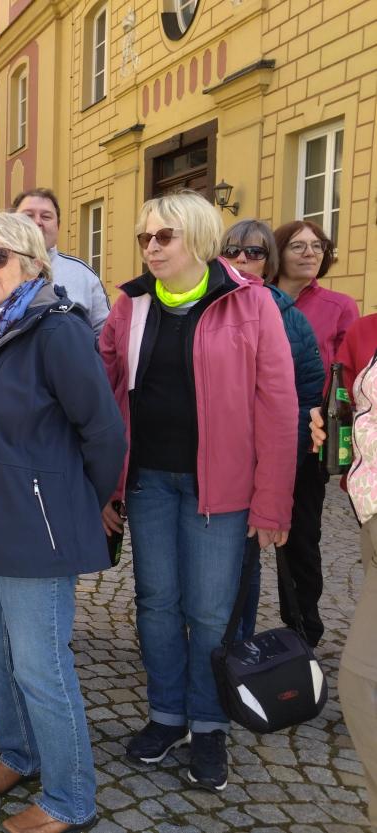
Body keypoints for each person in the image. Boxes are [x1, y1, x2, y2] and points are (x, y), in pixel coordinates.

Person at [0, 212, 124, 832]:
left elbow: (104, 430)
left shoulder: (54, 330)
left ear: (33, 263)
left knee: (41, 664)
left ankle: (71, 798)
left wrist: (71, 502)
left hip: (35, 525)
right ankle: (19, 753)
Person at [99, 191, 297, 792]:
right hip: (151, 481)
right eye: (145, 239)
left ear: (200, 239)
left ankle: (209, 725)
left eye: (164, 237)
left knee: (211, 612)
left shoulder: (251, 302)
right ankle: (166, 715)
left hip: (224, 489)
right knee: (157, 603)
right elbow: (104, 394)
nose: (152, 248)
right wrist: (106, 485)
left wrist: (271, 502)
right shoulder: (128, 306)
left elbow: (278, 406)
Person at [220, 220, 324, 641]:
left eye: (255, 252)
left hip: (262, 464)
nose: (243, 259)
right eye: (233, 251)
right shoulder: (207, 308)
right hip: (212, 460)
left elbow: (304, 400)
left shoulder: (290, 319)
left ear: (269, 261)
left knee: (246, 562)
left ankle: (238, 645)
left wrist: (281, 462)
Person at [268, 219, 357, 646]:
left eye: (317, 246)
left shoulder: (338, 306)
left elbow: (344, 375)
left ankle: (303, 628)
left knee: (301, 534)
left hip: (309, 436)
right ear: (278, 251)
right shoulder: (255, 297)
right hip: (256, 433)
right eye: (298, 245)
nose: (310, 252)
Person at [312, 317, 377, 828]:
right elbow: (348, 407)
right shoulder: (366, 330)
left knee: (361, 682)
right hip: (370, 513)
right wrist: (329, 425)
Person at [13, 188, 110, 335]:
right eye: (28, 216)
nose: (37, 222)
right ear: (11, 225)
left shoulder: (83, 274)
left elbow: (106, 335)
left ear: (58, 227)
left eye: (46, 217)